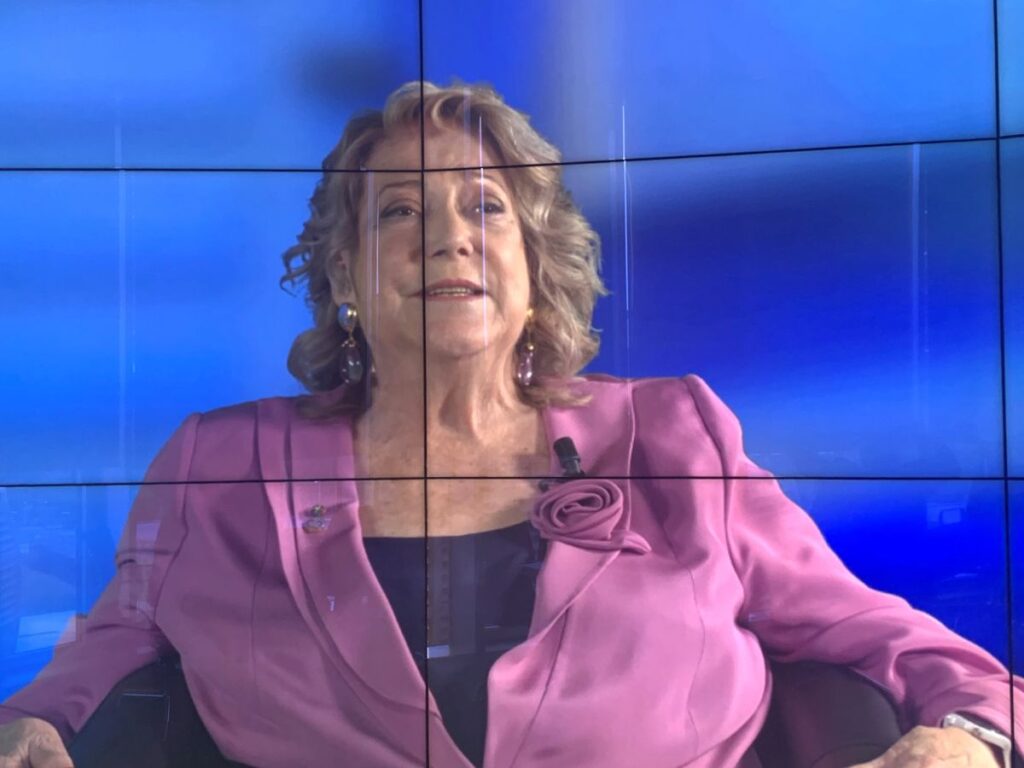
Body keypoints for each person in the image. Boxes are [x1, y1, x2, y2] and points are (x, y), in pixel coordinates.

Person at [0, 81, 1021, 768]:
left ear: (536, 269)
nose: (446, 238)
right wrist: (33, 721)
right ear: (346, 276)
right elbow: (121, 636)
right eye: (399, 212)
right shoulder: (222, 461)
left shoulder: (675, 432)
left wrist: (970, 734)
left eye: (484, 209)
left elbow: (871, 629)